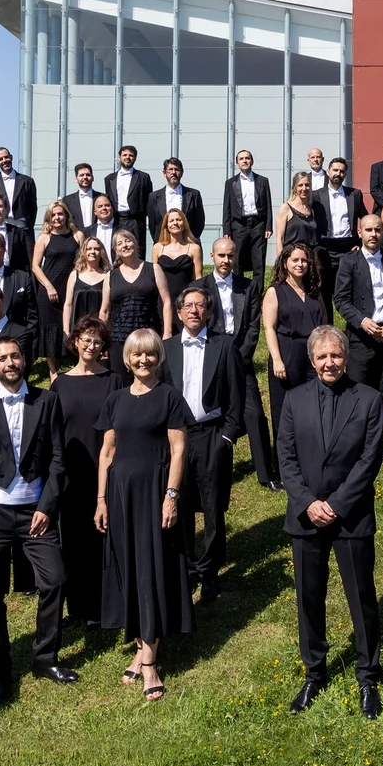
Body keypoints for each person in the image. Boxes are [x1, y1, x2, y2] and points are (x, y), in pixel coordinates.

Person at [0, 336, 76, 705]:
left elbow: (59, 461)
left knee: (55, 580)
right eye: (2, 358)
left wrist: (47, 507)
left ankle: (44, 658)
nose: (10, 362)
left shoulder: (47, 401)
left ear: (24, 361)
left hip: (34, 512)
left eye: (15, 356)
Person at [277, 326, 383, 718]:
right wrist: (307, 503)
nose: (329, 363)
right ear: (312, 360)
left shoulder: (370, 400)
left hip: (351, 516)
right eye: (322, 357)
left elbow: (369, 460)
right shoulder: (293, 400)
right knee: (309, 598)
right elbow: (285, 458)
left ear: (346, 357)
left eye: (336, 356)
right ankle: (314, 671)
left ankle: (368, 675)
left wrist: (336, 504)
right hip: (305, 518)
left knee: (361, 598)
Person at [95, 329, 193, 700]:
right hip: (119, 494)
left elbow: (179, 450)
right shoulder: (116, 399)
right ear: (127, 359)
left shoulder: (169, 396)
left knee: (151, 567)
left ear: (158, 358)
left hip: (153, 493)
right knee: (128, 567)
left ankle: (149, 661)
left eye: (151, 354)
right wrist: (101, 498)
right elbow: (107, 452)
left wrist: (171, 496)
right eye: (137, 355)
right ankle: (141, 645)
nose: (144, 360)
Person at [164, 289, 247, 604]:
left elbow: (237, 398)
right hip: (178, 437)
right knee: (180, 503)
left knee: (213, 507)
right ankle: (186, 568)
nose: (194, 310)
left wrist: (227, 437)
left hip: (212, 434)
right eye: (189, 305)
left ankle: (210, 571)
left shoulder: (224, 346)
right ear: (180, 311)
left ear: (209, 313)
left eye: (200, 306)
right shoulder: (167, 347)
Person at [51, 318, 121, 625]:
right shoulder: (60, 384)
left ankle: (104, 608)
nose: (91, 346)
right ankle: (77, 609)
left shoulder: (114, 380)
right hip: (71, 475)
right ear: (75, 341)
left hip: (105, 471)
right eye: (86, 339)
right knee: (74, 542)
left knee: (102, 540)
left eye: (97, 341)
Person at [191, 236, 274, 491]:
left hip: (240, 358)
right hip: (209, 359)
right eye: (221, 256)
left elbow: (251, 327)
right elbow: (196, 324)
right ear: (212, 257)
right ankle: (206, 467)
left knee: (256, 415)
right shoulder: (199, 287)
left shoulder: (248, 287)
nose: (226, 260)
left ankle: (266, 473)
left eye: (230, 256)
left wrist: (241, 358)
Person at [334, 215, 383, 449]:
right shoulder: (349, 262)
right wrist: (362, 321)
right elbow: (341, 300)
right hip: (361, 337)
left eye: (377, 230)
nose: (373, 234)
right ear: (359, 231)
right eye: (369, 230)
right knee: (359, 389)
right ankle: (356, 441)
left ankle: (377, 442)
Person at [264, 242, 327, 428]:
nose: (300, 264)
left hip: (312, 353)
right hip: (287, 352)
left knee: (313, 404)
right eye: (295, 260)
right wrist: (277, 359)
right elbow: (269, 327)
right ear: (285, 263)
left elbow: (323, 319)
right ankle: (285, 455)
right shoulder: (275, 291)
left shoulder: (314, 291)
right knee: (284, 407)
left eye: (304, 260)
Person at [106, 229, 171, 376]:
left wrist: (167, 333)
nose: (125, 245)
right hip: (118, 338)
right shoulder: (110, 275)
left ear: (136, 243)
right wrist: (103, 340)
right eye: (120, 243)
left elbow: (166, 302)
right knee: (121, 381)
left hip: (149, 336)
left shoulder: (153, 268)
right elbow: (105, 311)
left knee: (150, 379)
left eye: (128, 240)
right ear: (116, 250)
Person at [311, 157, 366, 314]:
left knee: (349, 292)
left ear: (345, 174)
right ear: (328, 172)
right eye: (335, 170)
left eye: (342, 171)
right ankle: (327, 331)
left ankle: (352, 331)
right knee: (324, 293)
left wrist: (361, 243)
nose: (338, 173)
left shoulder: (354, 194)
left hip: (348, 249)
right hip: (324, 249)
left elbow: (365, 217)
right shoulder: (316, 196)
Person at [31, 200, 83, 363]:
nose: (57, 217)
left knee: (73, 322)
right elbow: (35, 266)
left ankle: (76, 360)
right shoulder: (44, 238)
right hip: (49, 288)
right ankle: (52, 369)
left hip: (71, 286)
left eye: (60, 214)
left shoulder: (77, 235)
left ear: (66, 215)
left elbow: (83, 260)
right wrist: (48, 286)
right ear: (48, 218)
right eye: (53, 215)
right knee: (49, 326)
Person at [222, 150, 273, 277]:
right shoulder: (230, 183)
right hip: (238, 226)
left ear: (252, 161)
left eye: (247, 158)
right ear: (237, 163)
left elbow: (268, 205)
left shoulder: (263, 181)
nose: (245, 161)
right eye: (241, 159)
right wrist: (226, 231)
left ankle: (256, 294)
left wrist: (268, 226)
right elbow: (226, 208)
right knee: (237, 260)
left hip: (258, 225)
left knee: (259, 260)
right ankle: (240, 293)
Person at [152, 209, 203, 332]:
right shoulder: (157, 248)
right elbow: (153, 277)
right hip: (162, 301)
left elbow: (198, 278)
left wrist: (196, 301)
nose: (175, 223)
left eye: (178, 220)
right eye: (171, 220)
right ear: (166, 225)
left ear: (184, 223)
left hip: (185, 301)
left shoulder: (194, 248)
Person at [63, 236, 110, 350]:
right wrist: (66, 330)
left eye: (96, 249)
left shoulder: (108, 275)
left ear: (101, 252)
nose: (92, 252)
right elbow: (68, 304)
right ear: (84, 252)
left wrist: (101, 333)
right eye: (89, 249)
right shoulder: (75, 275)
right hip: (78, 331)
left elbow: (107, 309)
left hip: (98, 332)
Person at [151, 158, 206, 244]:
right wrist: (159, 242)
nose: (173, 172)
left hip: (188, 244)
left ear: (182, 172)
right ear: (164, 173)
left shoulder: (194, 194)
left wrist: (191, 241)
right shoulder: (154, 197)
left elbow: (199, 222)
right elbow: (153, 225)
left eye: (176, 169)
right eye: (170, 169)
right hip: (164, 244)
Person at [109, 146, 154, 249]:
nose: (127, 157)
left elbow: (148, 202)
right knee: (117, 250)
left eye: (131, 155)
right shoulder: (110, 179)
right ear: (119, 157)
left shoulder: (143, 177)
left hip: (136, 221)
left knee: (137, 249)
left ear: (135, 158)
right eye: (125, 155)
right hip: (116, 219)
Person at [0, 145, 38, 228]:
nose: (4, 161)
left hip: (22, 226)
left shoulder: (27, 181)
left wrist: (29, 226)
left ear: (11, 157)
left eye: (6, 157)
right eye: (0, 159)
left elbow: (32, 207)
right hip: (0, 225)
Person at [274, 170, 320, 259]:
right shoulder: (286, 208)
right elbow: (279, 238)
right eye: (300, 185)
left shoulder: (311, 211)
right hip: (292, 258)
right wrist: (281, 261)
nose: (304, 188)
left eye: (307, 185)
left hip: (309, 259)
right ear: (294, 188)